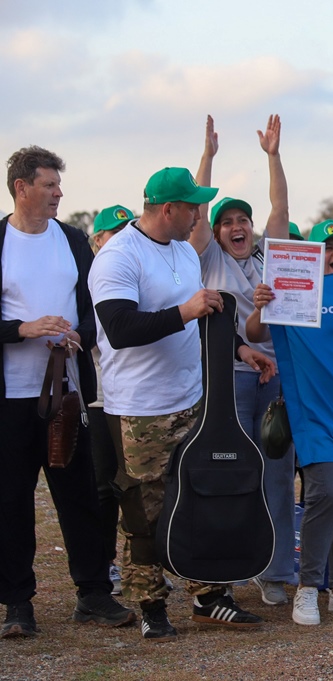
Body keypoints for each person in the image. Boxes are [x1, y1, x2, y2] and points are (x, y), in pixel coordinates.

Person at [89, 167, 274, 641]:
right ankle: (152, 606)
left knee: (200, 496)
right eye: (192, 207)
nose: (198, 215)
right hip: (141, 407)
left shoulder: (183, 252)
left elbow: (202, 319)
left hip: (192, 398)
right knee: (145, 509)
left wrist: (240, 349)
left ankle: (209, 598)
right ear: (168, 209)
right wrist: (183, 311)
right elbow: (120, 328)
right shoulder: (118, 256)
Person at [0, 147, 134, 639]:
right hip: (10, 398)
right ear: (21, 188)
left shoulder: (74, 240)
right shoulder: (0, 242)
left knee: (81, 496)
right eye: (50, 184)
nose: (59, 193)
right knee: (11, 501)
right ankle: (17, 603)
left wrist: (79, 334)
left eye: (58, 184)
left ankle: (94, 594)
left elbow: (97, 310)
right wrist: (23, 329)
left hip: (69, 393)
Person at [248, 220, 333, 625]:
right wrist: (262, 304)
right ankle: (307, 588)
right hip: (317, 416)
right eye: (328, 249)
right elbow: (255, 332)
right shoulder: (297, 294)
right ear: (314, 257)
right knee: (329, 494)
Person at [190, 114, 295, 607]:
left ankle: (274, 572)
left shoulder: (267, 256)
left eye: (243, 221)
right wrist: (208, 156)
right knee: (231, 471)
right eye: (227, 222)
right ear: (217, 232)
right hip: (228, 379)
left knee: (277, 472)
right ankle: (228, 567)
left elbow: (281, 207)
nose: (237, 227)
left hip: (273, 378)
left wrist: (273, 156)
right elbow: (196, 213)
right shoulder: (208, 258)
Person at [88, 205, 134, 597]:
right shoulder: (89, 279)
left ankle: (142, 563)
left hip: (134, 396)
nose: (121, 240)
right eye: (113, 234)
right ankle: (105, 563)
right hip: (99, 397)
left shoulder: (134, 274)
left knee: (135, 485)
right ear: (97, 241)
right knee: (104, 486)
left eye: (126, 232)